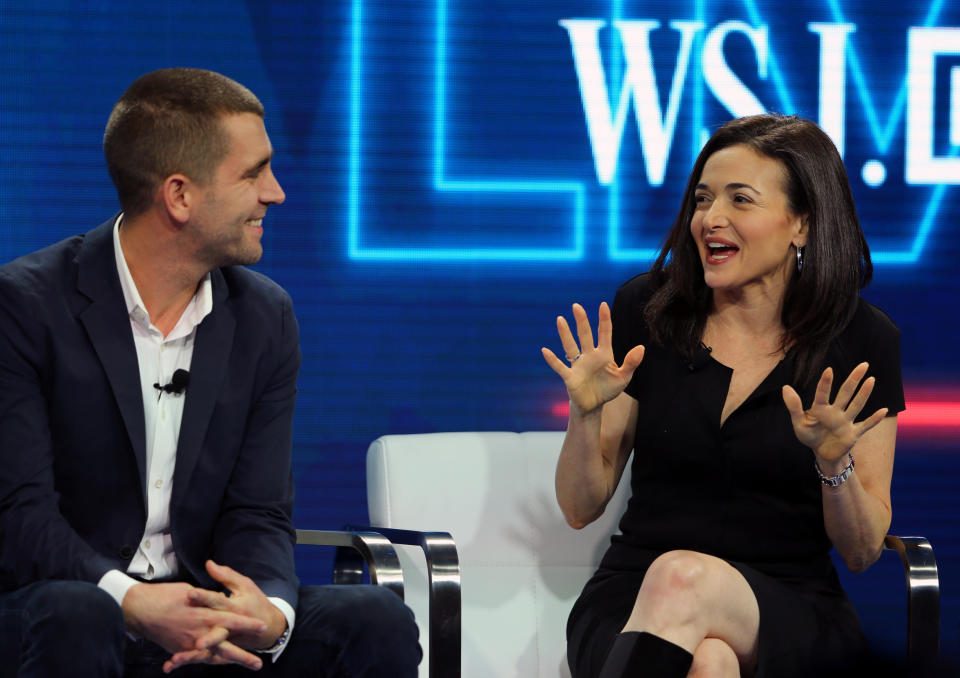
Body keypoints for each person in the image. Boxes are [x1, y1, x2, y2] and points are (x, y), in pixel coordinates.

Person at [0, 68, 420, 677]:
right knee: (79, 613)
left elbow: (260, 509)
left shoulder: (263, 316)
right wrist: (132, 600)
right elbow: (20, 515)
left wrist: (267, 611)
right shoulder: (26, 305)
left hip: (199, 604)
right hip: (61, 602)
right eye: (254, 173)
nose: (275, 193)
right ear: (180, 195)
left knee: (373, 617)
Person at [542, 114, 903, 678]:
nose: (712, 219)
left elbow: (861, 551)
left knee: (684, 578)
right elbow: (578, 507)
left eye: (741, 200)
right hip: (635, 596)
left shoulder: (860, 341)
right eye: (703, 199)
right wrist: (585, 415)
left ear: (801, 224)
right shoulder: (650, 311)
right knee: (709, 660)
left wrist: (835, 464)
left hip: (790, 604)